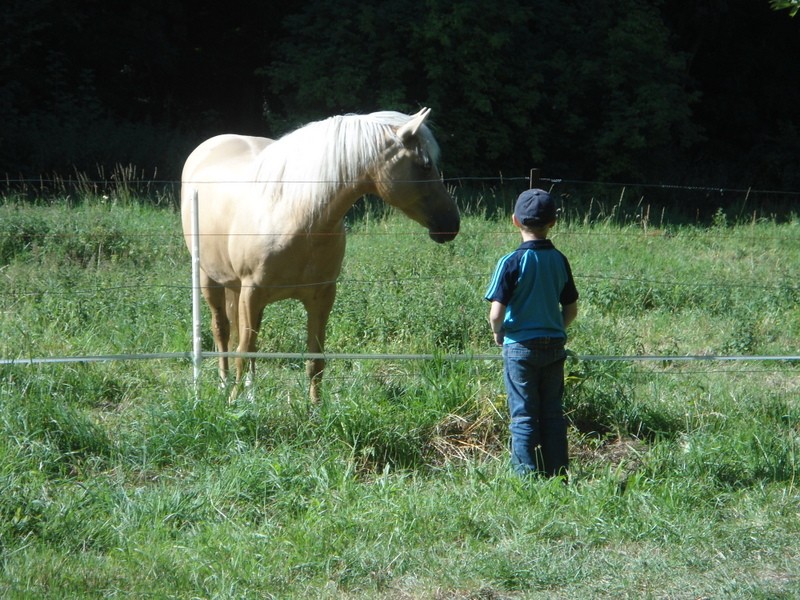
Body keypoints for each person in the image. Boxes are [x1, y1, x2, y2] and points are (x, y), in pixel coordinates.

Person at [484, 188, 579, 477]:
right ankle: (557, 474)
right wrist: (555, 330)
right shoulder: (560, 260)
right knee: (552, 413)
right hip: (553, 346)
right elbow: (571, 309)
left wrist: (498, 334)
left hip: (519, 348)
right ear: (553, 222)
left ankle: (525, 479)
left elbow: (496, 313)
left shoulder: (510, 261)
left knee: (524, 416)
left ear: (514, 221)